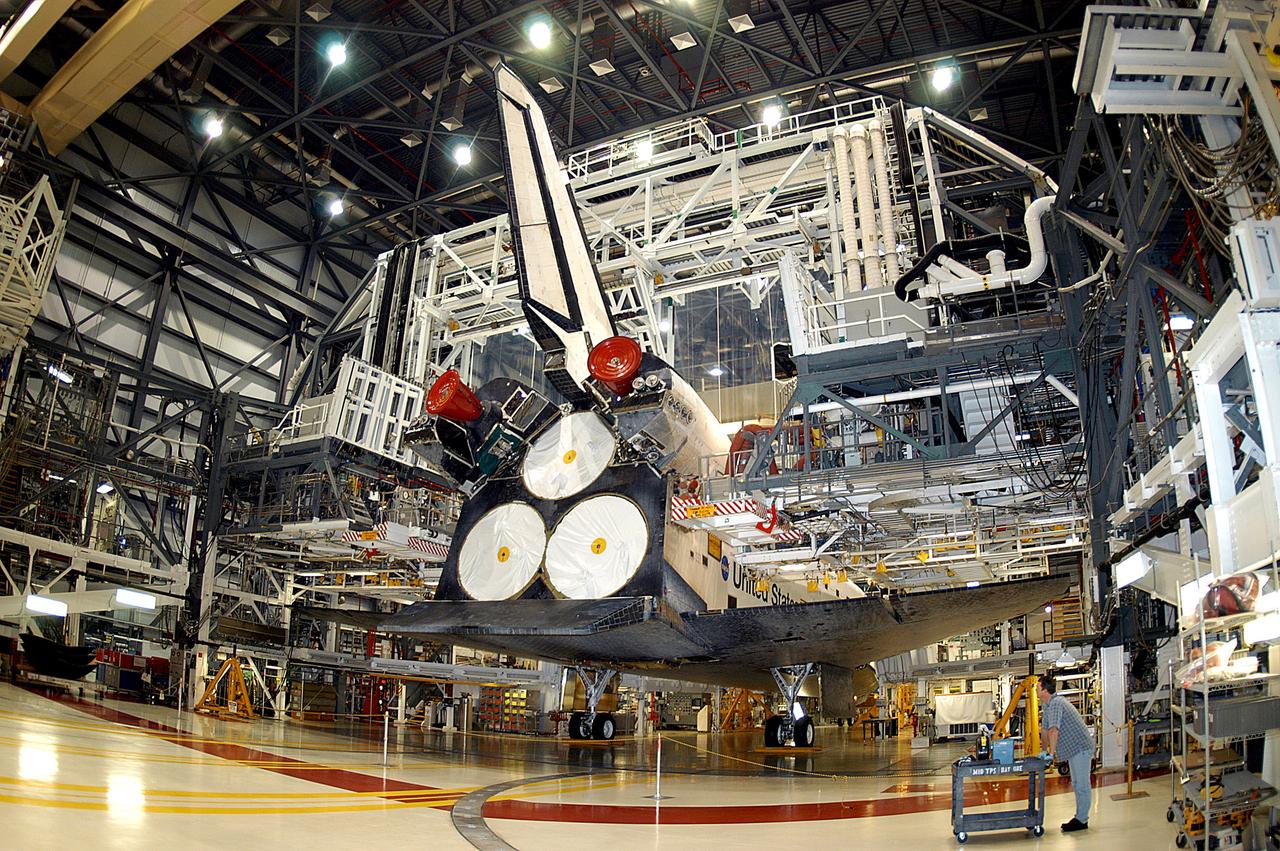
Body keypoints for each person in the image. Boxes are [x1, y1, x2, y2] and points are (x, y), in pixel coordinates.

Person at [1038, 673, 1094, 832]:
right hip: (1074, 749)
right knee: (1077, 783)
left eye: (1037, 687)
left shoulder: (1056, 703)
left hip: (1080, 747)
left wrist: (1051, 754)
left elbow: (1054, 730)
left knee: (1081, 784)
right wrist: (1043, 751)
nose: (1035, 690)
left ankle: (1082, 820)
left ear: (1044, 690)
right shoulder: (1047, 704)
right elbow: (1045, 730)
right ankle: (1080, 817)